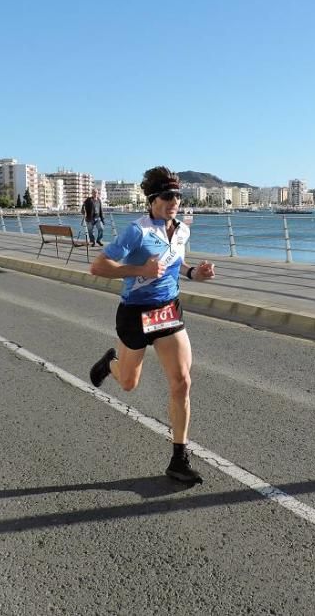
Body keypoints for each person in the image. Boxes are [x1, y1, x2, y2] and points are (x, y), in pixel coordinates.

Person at [88, 167, 216, 484]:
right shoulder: (137, 231)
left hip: (168, 310)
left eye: (177, 196)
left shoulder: (182, 231)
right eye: (167, 196)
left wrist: (193, 274)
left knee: (182, 382)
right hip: (135, 312)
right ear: (152, 200)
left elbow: (176, 263)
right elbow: (99, 266)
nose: (174, 201)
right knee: (129, 383)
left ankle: (178, 458)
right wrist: (138, 268)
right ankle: (111, 364)